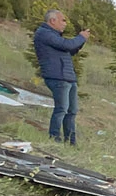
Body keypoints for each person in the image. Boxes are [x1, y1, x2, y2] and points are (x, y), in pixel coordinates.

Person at [33, 10, 89, 145]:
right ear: (53, 21)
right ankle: (54, 139)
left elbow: (70, 49)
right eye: (62, 20)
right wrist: (81, 37)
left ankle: (70, 141)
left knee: (72, 111)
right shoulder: (44, 33)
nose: (65, 23)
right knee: (61, 109)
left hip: (67, 77)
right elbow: (66, 45)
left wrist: (81, 41)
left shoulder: (54, 36)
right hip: (57, 77)